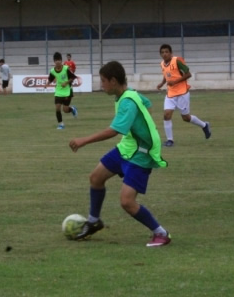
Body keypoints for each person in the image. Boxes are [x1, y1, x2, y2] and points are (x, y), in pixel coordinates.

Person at [69, 60, 171, 247]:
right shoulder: (129, 93)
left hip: (142, 151)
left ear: (113, 81)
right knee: (96, 178)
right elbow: (147, 104)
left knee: (126, 201)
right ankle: (94, 221)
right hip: (129, 145)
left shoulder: (127, 102)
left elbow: (113, 131)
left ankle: (161, 233)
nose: (102, 85)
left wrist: (83, 141)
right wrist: (140, 123)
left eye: (103, 81)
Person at [156, 44, 211, 147]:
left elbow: (188, 74)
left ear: (171, 53)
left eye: (166, 52)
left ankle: (204, 125)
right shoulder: (162, 64)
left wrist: (175, 81)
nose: (164, 54)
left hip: (182, 92)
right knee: (166, 115)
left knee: (186, 117)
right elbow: (166, 75)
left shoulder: (177, 61)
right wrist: (162, 83)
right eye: (162, 52)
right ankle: (170, 140)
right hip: (170, 93)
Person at [48, 52, 77, 129]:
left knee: (65, 110)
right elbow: (50, 78)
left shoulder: (66, 68)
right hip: (58, 91)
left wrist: (66, 82)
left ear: (61, 61)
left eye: (59, 60)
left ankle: (72, 109)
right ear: (54, 61)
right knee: (57, 108)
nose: (57, 62)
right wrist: (47, 84)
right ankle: (61, 124)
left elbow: (73, 77)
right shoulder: (52, 71)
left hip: (67, 91)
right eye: (56, 60)